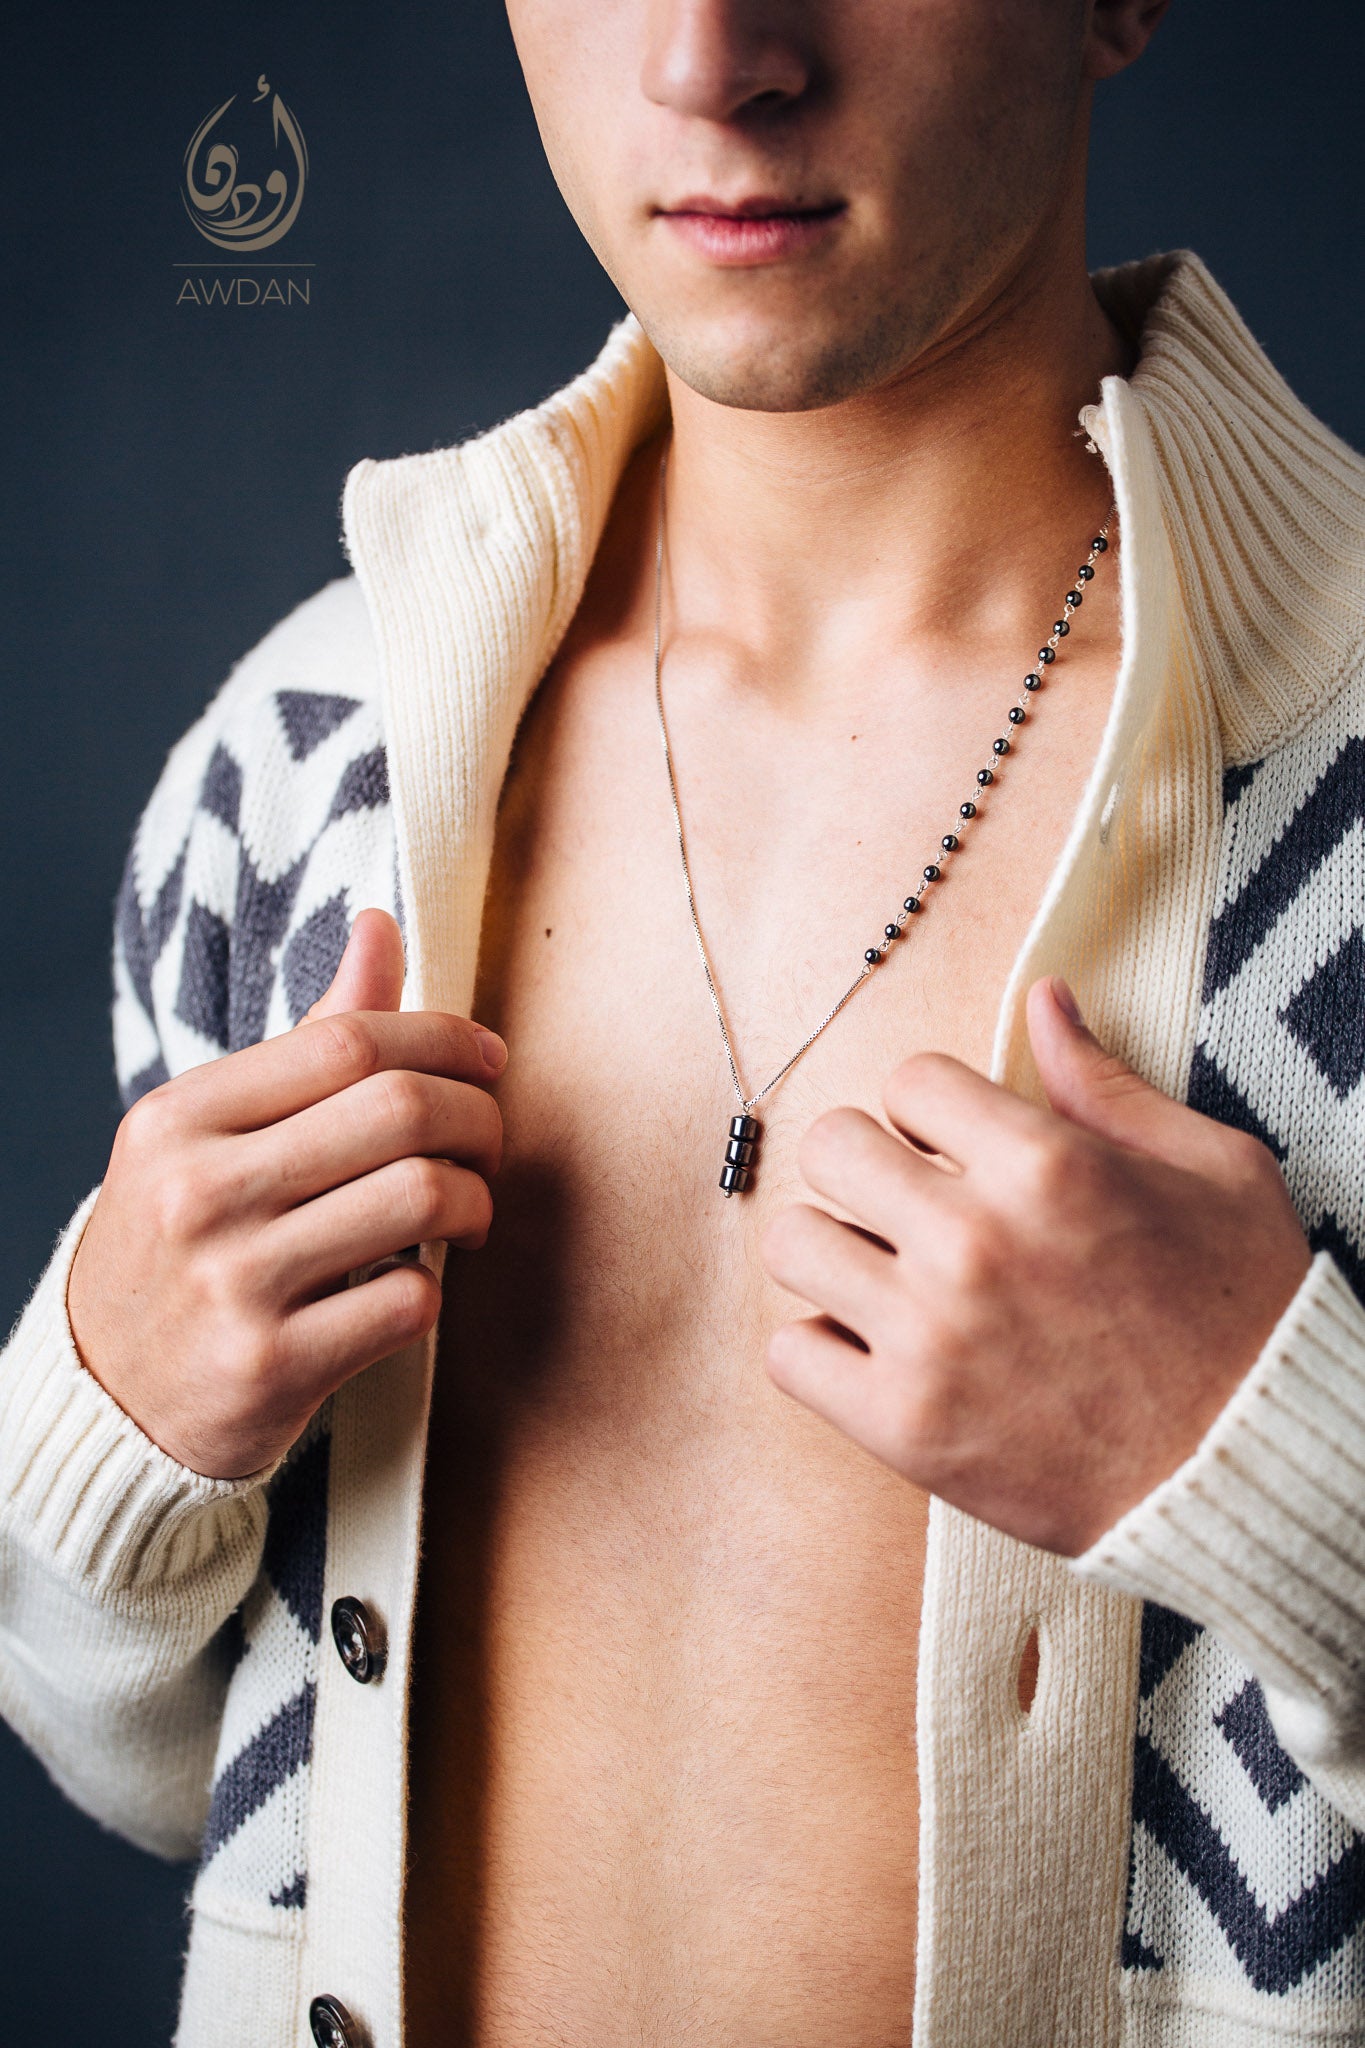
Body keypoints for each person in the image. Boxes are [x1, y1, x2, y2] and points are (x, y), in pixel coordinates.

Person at [3, 0, 1364, 2042]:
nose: (712, 58)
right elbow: (161, 1762)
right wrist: (107, 1431)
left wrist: (1292, 1472)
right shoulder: (304, 774)